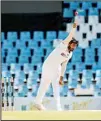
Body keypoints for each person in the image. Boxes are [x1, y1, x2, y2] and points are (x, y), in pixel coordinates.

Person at [33, 19, 78, 111]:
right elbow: (70, 36)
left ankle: (58, 107)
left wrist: (61, 77)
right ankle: (37, 102)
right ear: (69, 44)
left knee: (56, 86)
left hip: (56, 68)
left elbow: (64, 65)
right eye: (72, 44)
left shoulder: (70, 54)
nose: (73, 46)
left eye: (75, 45)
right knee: (44, 84)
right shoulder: (63, 45)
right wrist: (74, 28)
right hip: (47, 65)